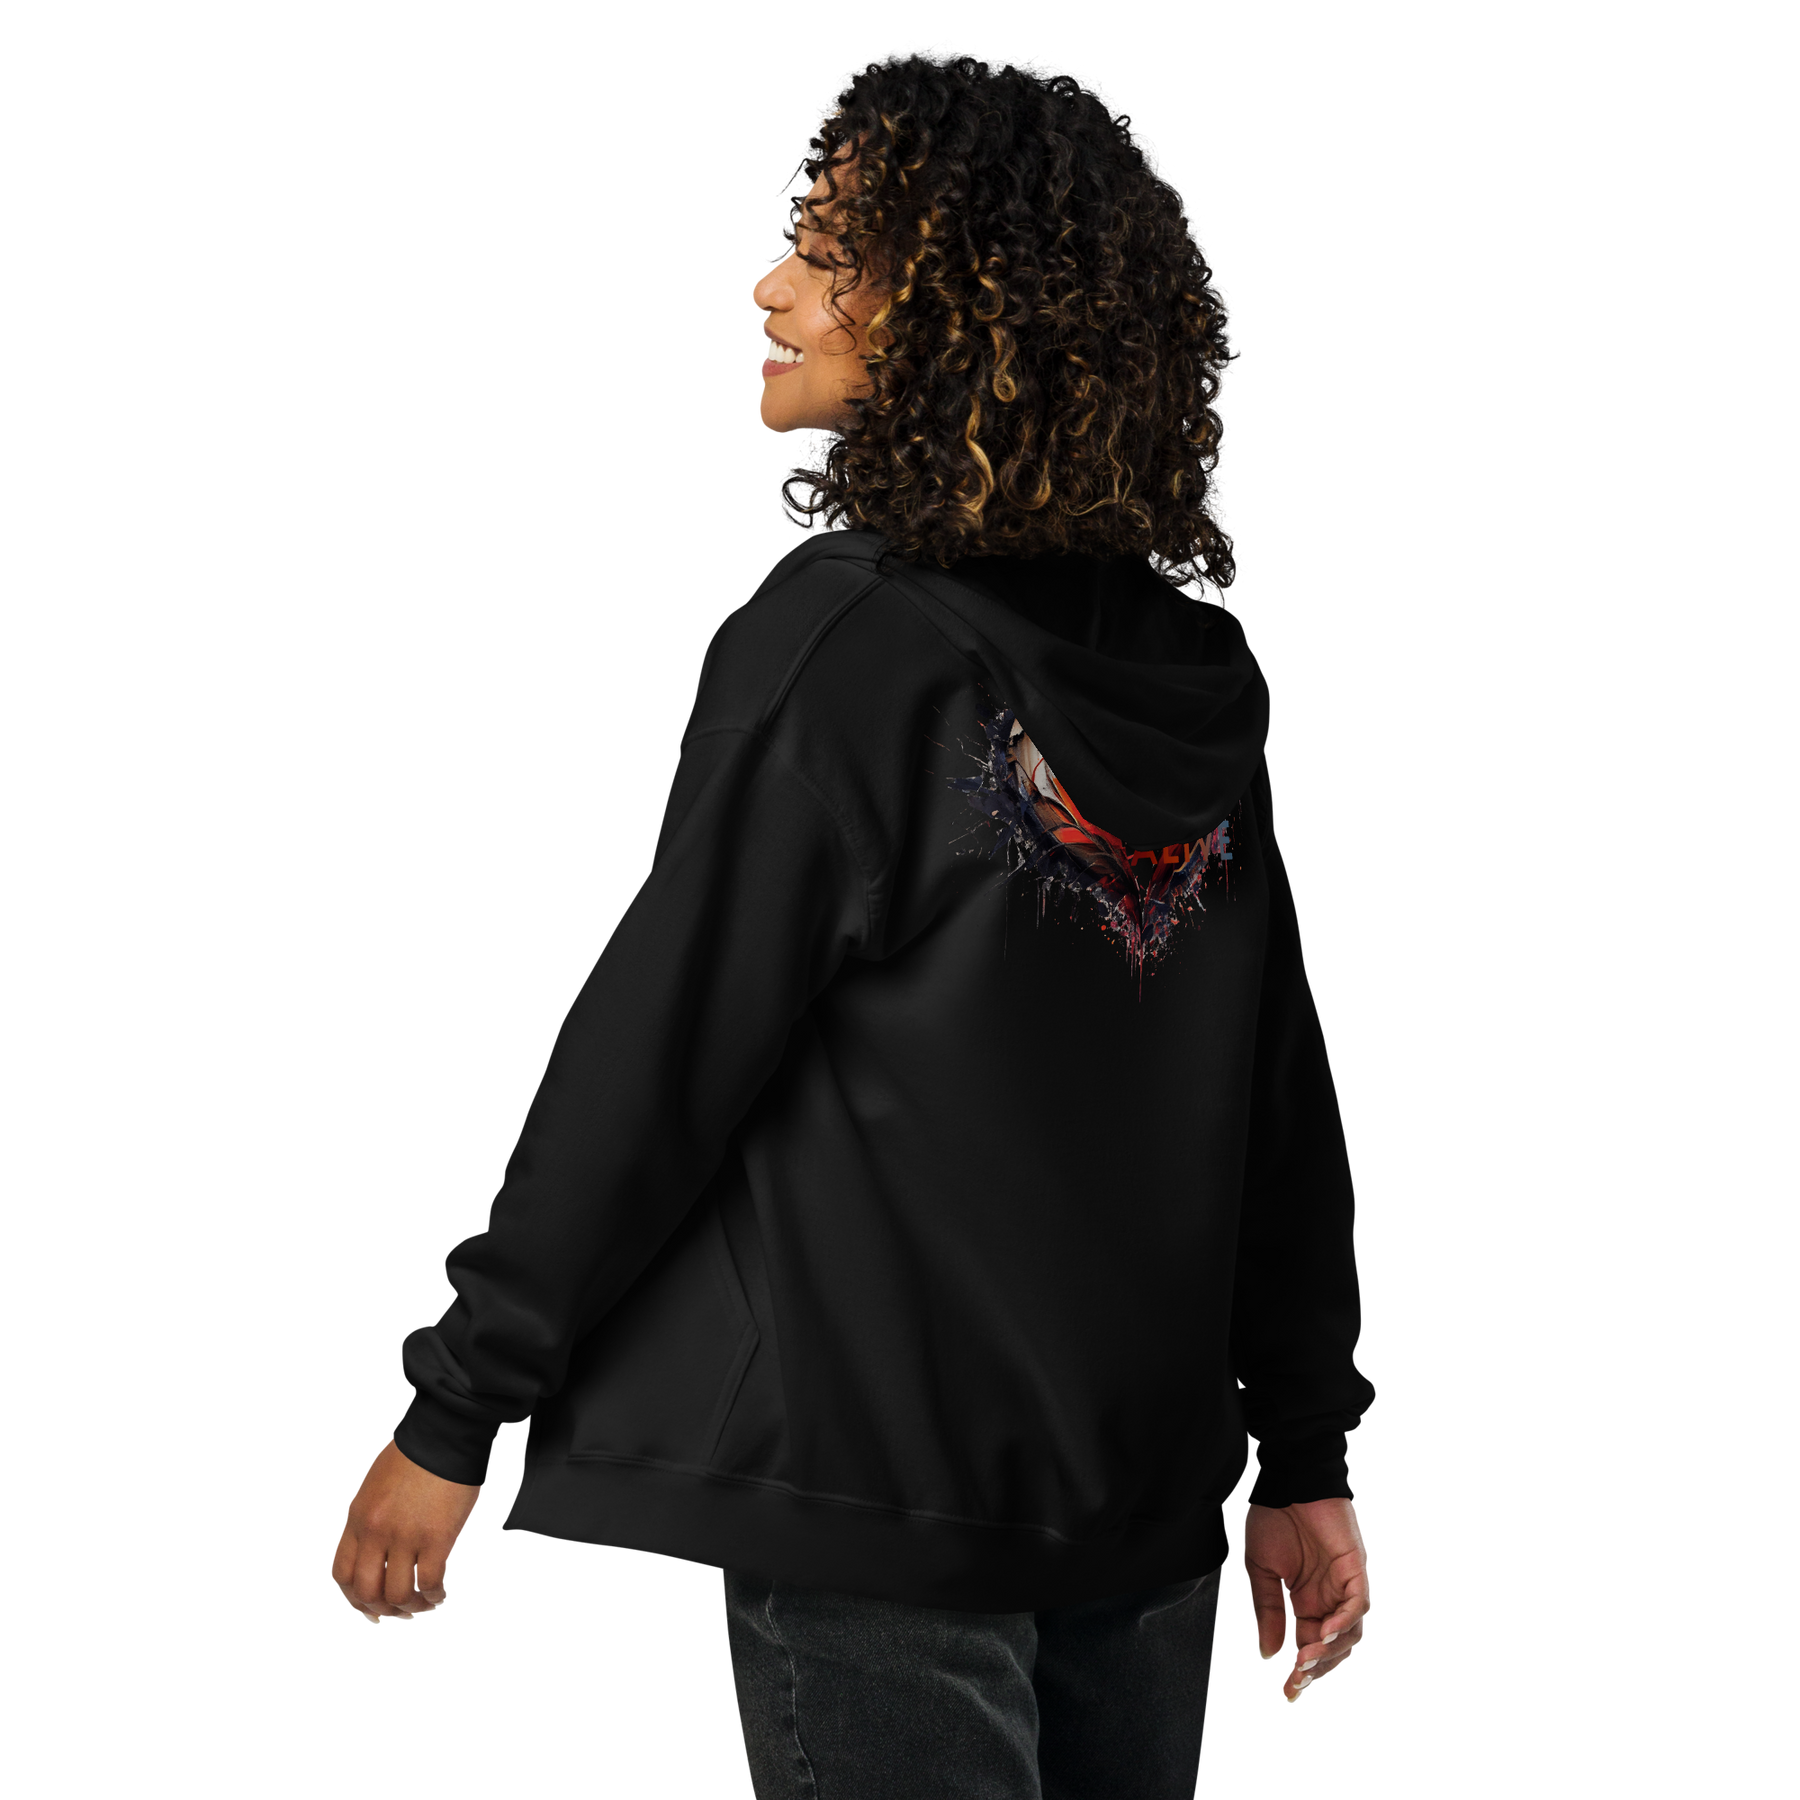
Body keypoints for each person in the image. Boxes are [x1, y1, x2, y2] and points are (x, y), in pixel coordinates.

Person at [330, 34, 1375, 1799]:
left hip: (872, 1505)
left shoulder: (851, 643)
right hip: (1144, 1504)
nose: (770, 287)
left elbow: (656, 1052)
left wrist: (457, 1407)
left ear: (974, 310)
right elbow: (1280, 1107)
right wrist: (1303, 1453)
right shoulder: (1197, 667)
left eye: (832, 257)